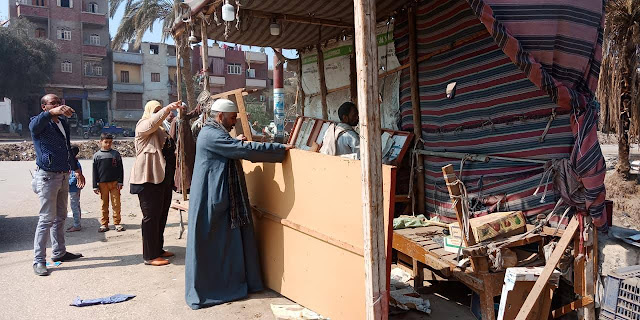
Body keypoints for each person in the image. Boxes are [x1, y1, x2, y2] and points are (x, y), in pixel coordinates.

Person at [185, 99, 294, 310]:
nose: (234, 122)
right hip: (213, 199)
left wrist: (236, 142)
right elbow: (242, 149)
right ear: (219, 117)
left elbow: (231, 145)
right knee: (217, 246)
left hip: (219, 196)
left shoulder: (214, 132)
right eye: (232, 118)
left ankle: (235, 284)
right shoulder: (211, 135)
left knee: (228, 244)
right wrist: (279, 149)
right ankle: (219, 289)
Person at [29, 94, 85, 276]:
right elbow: (35, 125)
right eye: (52, 103)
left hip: (63, 175)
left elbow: (67, 148)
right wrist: (53, 112)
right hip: (47, 176)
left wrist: (76, 168)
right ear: (44, 107)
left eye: (59, 102)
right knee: (46, 219)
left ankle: (59, 252)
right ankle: (38, 261)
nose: (58, 105)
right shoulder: (38, 123)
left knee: (61, 216)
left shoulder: (62, 123)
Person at [130, 100, 183, 266]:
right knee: (151, 217)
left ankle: (158, 249)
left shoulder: (161, 131)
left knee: (161, 215)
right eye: (157, 110)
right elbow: (152, 122)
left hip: (162, 180)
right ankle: (150, 256)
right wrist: (168, 108)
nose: (161, 113)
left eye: (161, 110)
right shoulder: (143, 126)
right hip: (148, 180)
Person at [92, 133, 125, 232]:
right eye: (106, 142)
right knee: (104, 204)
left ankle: (117, 223)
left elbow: (120, 169)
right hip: (102, 184)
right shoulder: (97, 156)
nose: (108, 144)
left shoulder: (116, 154)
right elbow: (94, 172)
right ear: (100, 142)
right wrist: (95, 185)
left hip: (115, 183)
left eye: (110, 142)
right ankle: (104, 224)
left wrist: (120, 181)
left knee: (116, 203)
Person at [66, 146, 83, 232]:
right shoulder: (74, 163)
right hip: (74, 188)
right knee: (77, 205)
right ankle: (78, 223)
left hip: (74, 189)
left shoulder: (75, 164)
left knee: (74, 206)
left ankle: (77, 225)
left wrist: (65, 184)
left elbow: (74, 178)